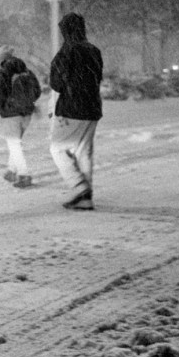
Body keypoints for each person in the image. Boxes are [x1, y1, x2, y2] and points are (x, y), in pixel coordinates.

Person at [48, 12, 103, 210]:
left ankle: (79, 187)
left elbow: (56, 83)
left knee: (57, 148)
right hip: (92, 107)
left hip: (72, 108)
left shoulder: (67, 52)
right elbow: (98, 77)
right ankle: (85, 197)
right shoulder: (94, 51)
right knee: (83, 153)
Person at [0, 45, 39, 189]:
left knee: (14, 145)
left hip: (11, 114)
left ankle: (24, 175)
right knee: (16, 143)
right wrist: (28, 103)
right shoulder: (26, 71)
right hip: (26, 113)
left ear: (1, 60)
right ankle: (12, 170)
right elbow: (37, 91)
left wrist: (1, 109)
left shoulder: (2, 73)